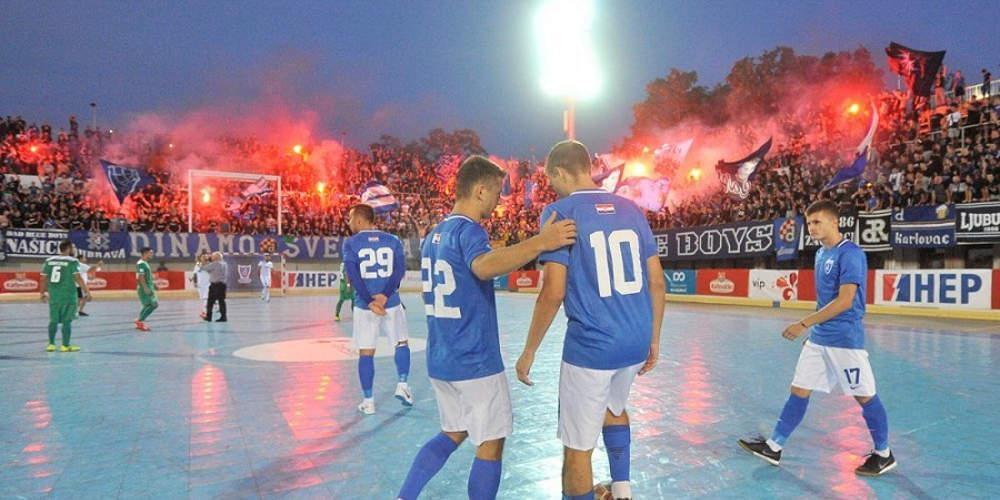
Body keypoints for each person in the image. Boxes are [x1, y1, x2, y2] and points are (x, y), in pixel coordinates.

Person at [397, 156, 576, 500]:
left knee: (453, 431)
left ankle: (404, 497)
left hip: (442, 359)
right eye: (495, 194)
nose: (497, 203)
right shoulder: (469, 230)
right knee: (491, 444)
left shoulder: (435, 233)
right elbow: (483, 266)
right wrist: (542, 242)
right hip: (474, 360)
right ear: (479, 190)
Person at [515, 141, 666, 500]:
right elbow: (657, 281)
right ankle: (623, 489)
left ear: (560, 172)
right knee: (615, 408)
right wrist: (653, 339)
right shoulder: (632, 209)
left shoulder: (559, 212)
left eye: (552, 179)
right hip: (634, 340)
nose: (552, 186)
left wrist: (529, 350)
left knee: (576, 449)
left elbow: (553, 291)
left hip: (592, 347)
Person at [738, 200, 896, 476]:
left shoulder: (852, 254)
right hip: (820, 339)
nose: (811, 228)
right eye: (809, 223)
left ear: (835, 222)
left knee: (865, 397)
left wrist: (803, 323)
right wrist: (814, 332)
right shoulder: (821, 253)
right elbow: (825, 300)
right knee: (799, 389)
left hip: (845, 340)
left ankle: (884, 453)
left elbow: (846, 300)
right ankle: (774, 446)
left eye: (817, 222)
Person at [341, 203, 411, 414]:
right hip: (391, 302)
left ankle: (368, 401)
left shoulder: (351, 243)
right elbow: (399, 271)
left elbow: (353, 275)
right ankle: (403, 384)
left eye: (351, 218)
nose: (349, 222)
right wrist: (384, 296)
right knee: (401, 343)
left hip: (365, 307)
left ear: (360, 220)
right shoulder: (393, 240)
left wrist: (370, 301)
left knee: (366, 352)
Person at [40, 240, 90, 352]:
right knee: (67, 321)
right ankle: (65, 345)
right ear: (68, 248)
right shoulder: (72, 261)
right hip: (68, 295)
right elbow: (78, 277)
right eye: (72, 247)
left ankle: (51, 344)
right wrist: (86, 291)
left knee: (53, 320)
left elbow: (43, 278)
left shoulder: (49, 261)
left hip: (54, 295)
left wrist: (42, 292)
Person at [135, 247, 159, 332]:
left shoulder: (144, 263)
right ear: (145, 253)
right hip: (145, 288)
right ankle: (139, 321)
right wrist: (145, 288)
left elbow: (146, 276)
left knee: (147, 305)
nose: (152, 254)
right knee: (154, 305)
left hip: (148, 287)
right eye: (150, 253)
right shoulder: (141, 263)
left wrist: (154, 284)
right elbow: (141, 277)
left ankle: (139, 322)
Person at [201, 252, 229, 322]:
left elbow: (203, 268)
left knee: (210, 302)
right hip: (222, 285)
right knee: (221, 301)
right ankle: (223, 317)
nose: (211, 258)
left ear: (216, 258)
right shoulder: (224, 264)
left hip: (215, 286)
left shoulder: (215, 264)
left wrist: (204, 260)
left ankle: (209, 317)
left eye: (212, 257)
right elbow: (212, 271)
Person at [193, 252, 211, 319]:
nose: (204, 257)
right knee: (203, 298)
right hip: (200, 285)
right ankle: (215, 306)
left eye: (205, 256)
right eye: (202, 256)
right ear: (200, 258)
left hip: (208, 283)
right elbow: (195, 274)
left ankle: (205, 312)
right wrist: (195, 282)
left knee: (206, 297)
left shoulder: (210, 264)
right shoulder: (197, 264)